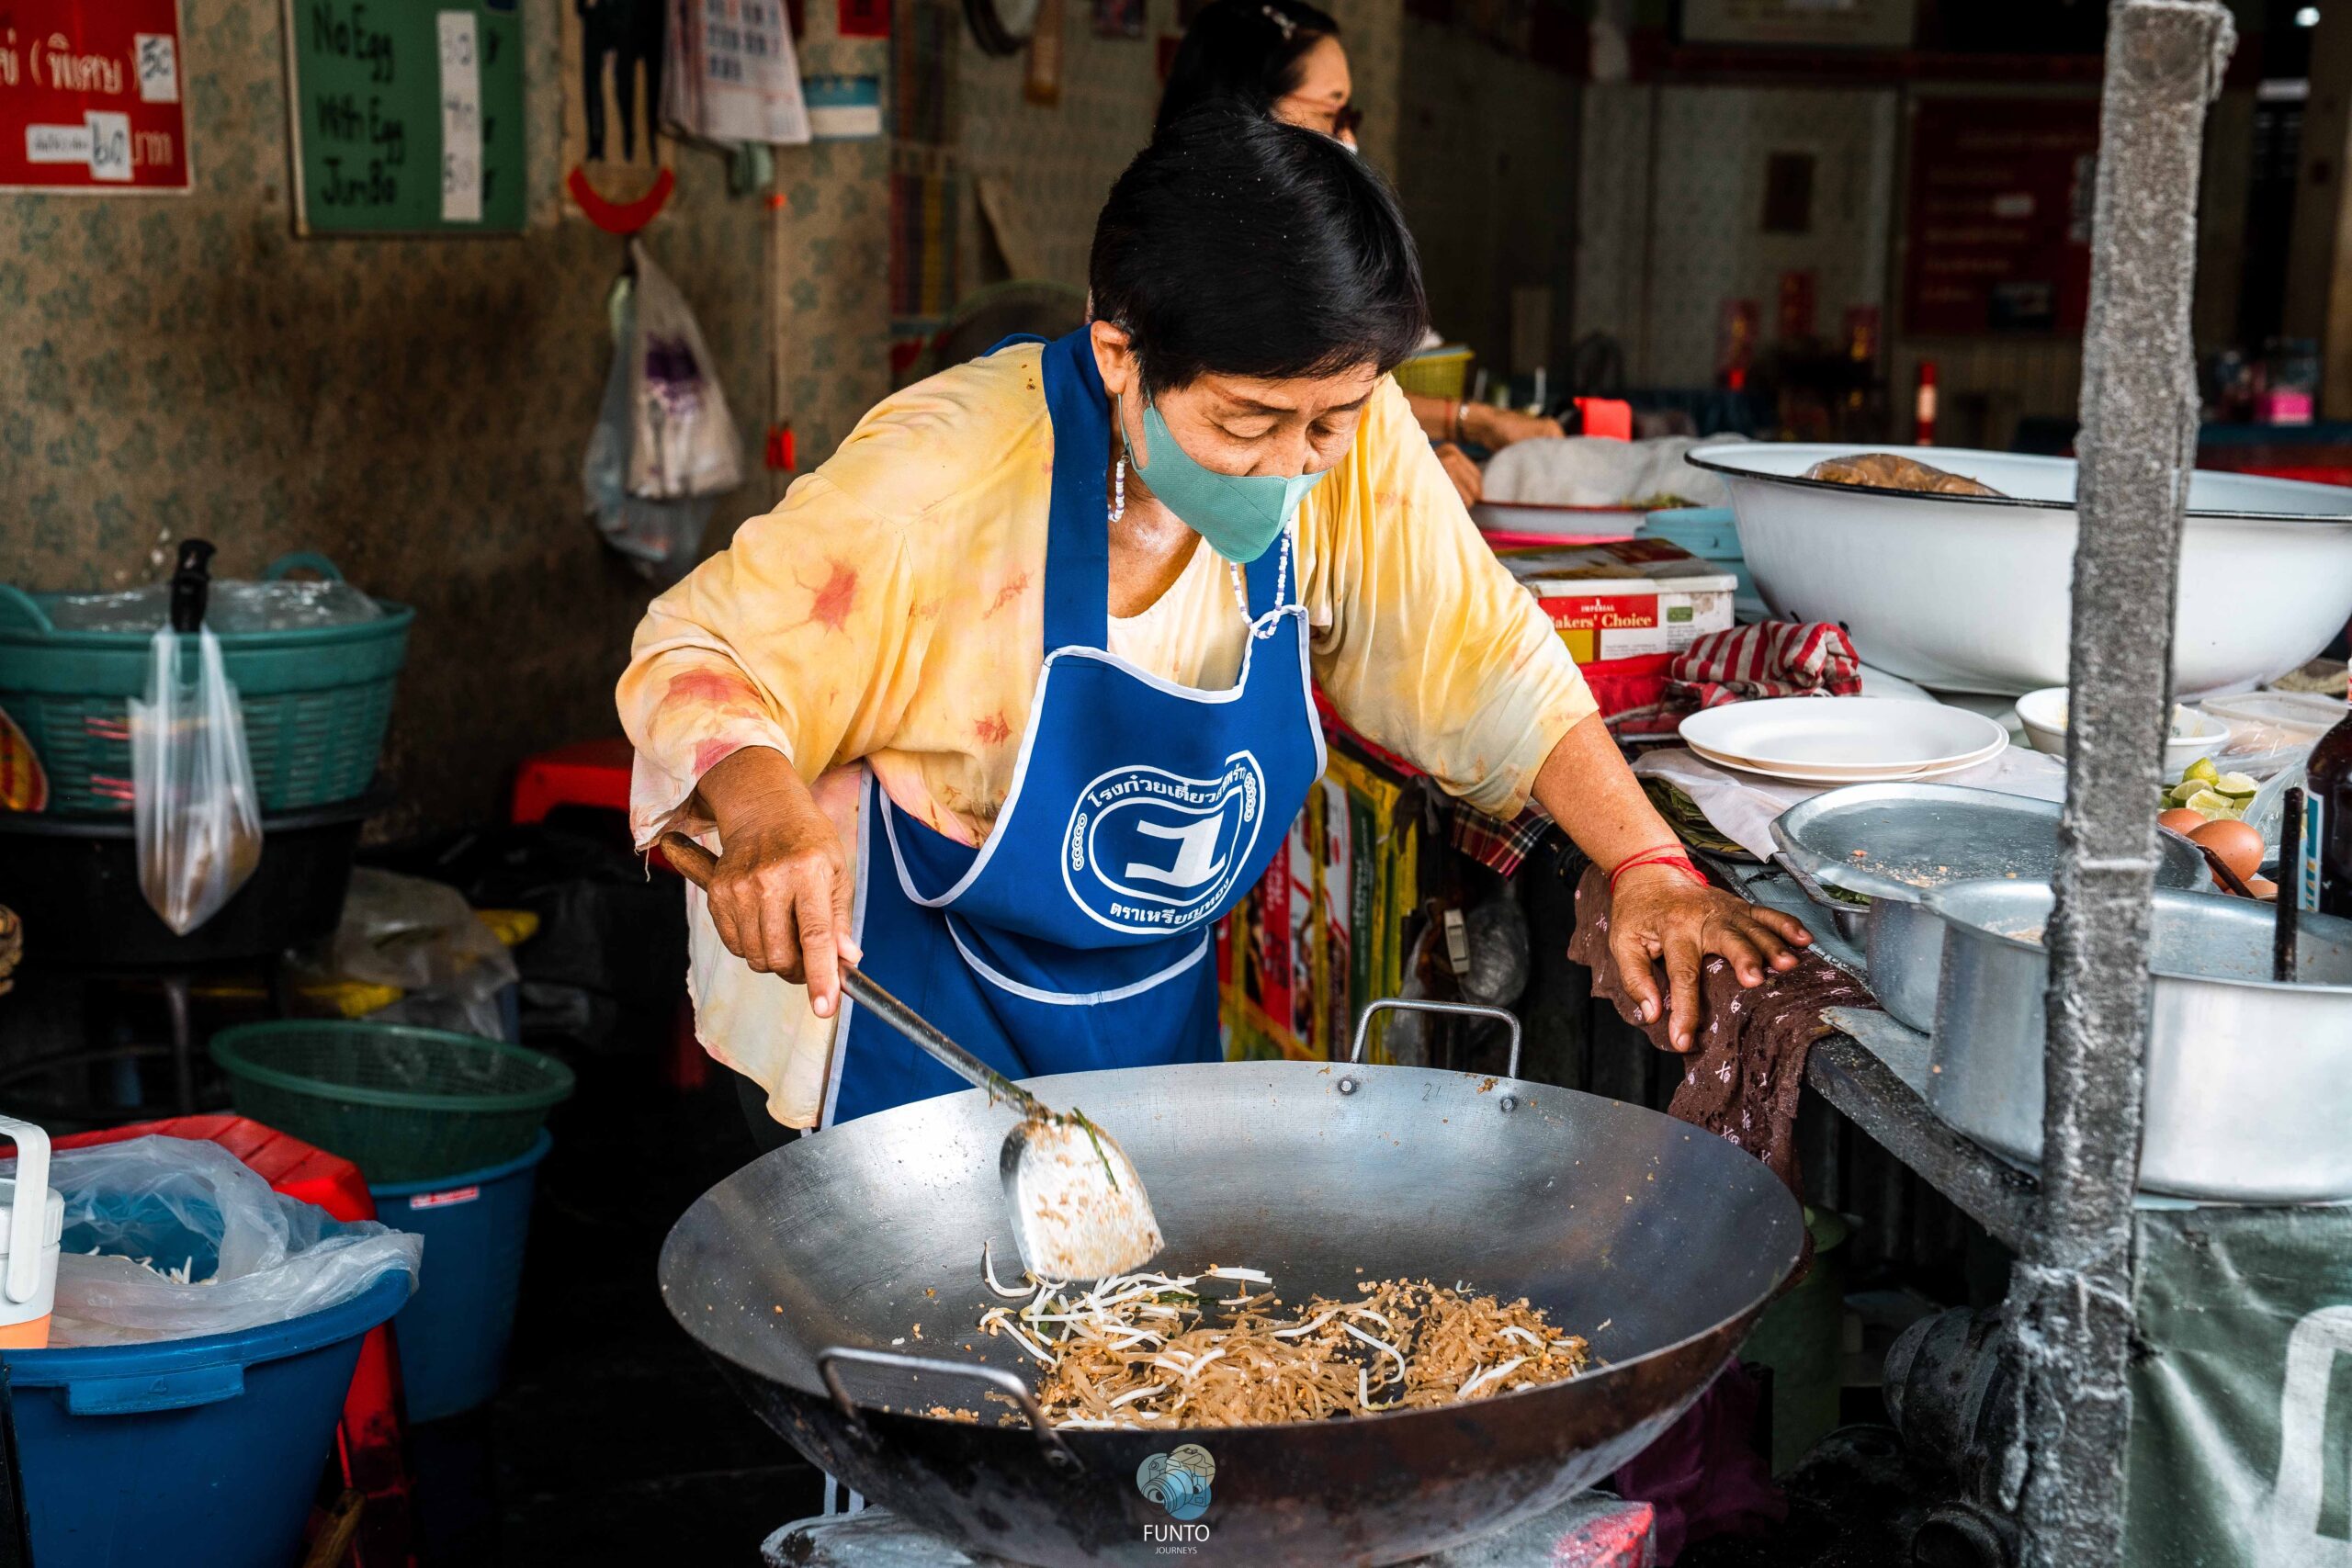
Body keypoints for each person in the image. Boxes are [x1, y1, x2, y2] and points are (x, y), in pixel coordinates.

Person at [617, 109, 1809, 1136]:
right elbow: (701, 653)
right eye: (1246, 424)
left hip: (1142, 1014)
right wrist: (763, 809)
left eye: (1330, 423)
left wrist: (1647, 864)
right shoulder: (942, 477)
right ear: (1120, 353)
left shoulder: (1347, 425)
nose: (1295, 465)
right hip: (892, 1005)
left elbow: (1481, 656)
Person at [1157, 0, 1562, 508]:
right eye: (1332, 112)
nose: (1348, 137)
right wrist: (1401, 460)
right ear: (1250, 108)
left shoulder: (1309, 241)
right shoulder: (1188, 254)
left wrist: (1415, 447)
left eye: (1350, 114)